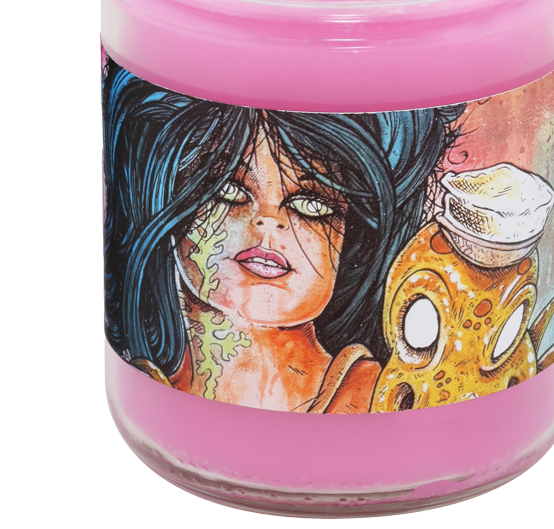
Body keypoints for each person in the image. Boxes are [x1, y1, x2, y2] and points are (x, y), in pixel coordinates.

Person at [102, 56, 463, 413]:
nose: (268, 221)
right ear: (166, 194)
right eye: (228, 189)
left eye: (311, 205)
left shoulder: (385, 397)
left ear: (353, 241)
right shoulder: (145, 388)